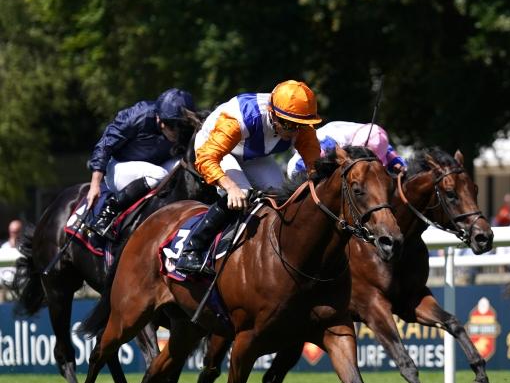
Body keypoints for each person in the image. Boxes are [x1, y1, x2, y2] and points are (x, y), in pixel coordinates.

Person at [174, 80, 323, 276]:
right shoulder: (241, 119)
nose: (294, 132)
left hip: (252, 153)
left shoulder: (301, 126)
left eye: (299, 126)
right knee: (242, 193)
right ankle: (191, 249)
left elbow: (315, 167)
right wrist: (230, 187)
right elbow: (207, 158)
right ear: (272, 113)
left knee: (282, 196)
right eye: (288, 125)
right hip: (214, 149)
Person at [84, 88, 197, 239]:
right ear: (159, 119)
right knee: (159, 174)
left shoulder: (184, 126)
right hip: (120, 167)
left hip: (157, 168)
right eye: (172, 127)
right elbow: (105, 145)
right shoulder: (137, 115)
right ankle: (108, 212)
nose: (177, 133)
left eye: (182, 127)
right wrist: (95, 184)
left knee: (187, 166)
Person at [285, 121, 405, 179]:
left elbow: (386, 148)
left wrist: (397, 162)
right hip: (299, 169)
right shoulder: (327, 145)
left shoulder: (374, 134)